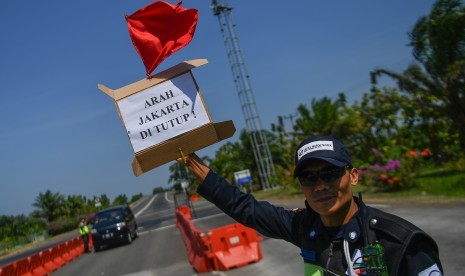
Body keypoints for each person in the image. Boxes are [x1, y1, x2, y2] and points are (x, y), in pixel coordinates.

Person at [179, 135, 443, 275]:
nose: (320, 186)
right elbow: (243, 207)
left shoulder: (400, 243)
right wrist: (192, 162)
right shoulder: (305, 227)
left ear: (353, 176)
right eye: (309, 177)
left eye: (330, 174)